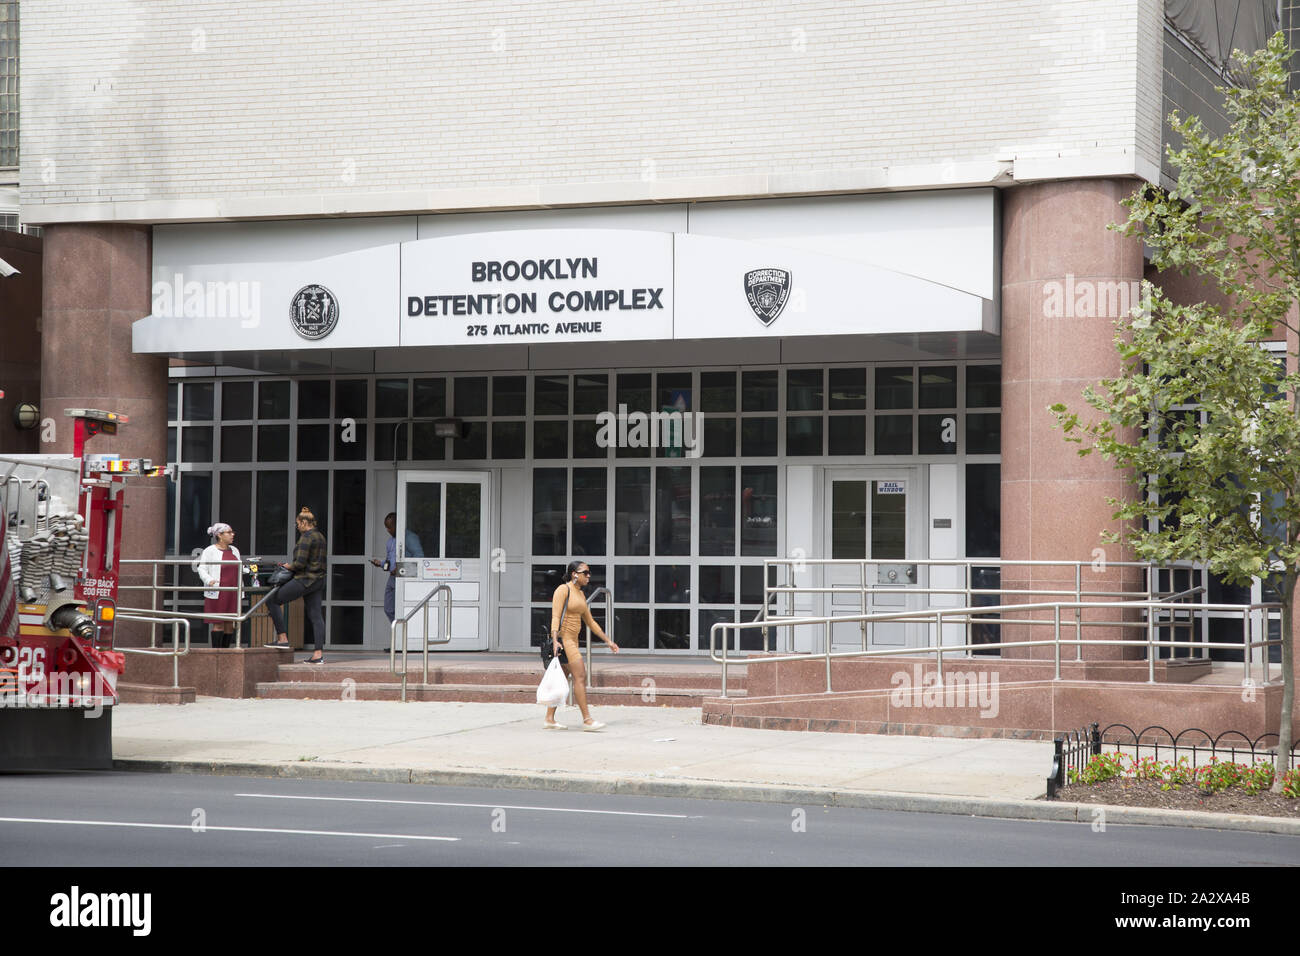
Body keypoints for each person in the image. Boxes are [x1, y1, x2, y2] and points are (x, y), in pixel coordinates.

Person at [545, 560, 619, 731]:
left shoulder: (580, 594)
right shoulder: (563, 590)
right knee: (580, 676)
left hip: (573, 640)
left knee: (563, 678)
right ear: (574, 574)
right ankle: (587, 720)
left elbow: (591, 622)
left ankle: (549, 718)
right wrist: (555, 640)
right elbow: (555, 617)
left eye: (589, 572)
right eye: (585, 572)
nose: (588, 576)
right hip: (564, 640)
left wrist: (608, 641)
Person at [267, 506, 327, 663]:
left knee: (272, 600)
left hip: (305, 579)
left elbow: (299, 564)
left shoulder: (307, 537)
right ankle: (318, 654)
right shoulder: (320, 536)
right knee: (316, 616)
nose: (297, 526)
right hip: (318, 580)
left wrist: (287, 566)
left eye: (298, 523)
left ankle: (282, 638)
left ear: (305, 522)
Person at [370, 512, 424, 648]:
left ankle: (401, 643)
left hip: (405, 580)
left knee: (404, 610)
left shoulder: (410, 538)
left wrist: (400, 569)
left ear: (397, 525)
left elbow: (420, 559)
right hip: (392, 579)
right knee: (389, 609)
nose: (388, 530)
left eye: (390, 527)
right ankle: (400, 639)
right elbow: (389, 561)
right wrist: (381, 564)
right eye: (386, 528)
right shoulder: (391, 541)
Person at [197, 522, 241, 648]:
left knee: (229, 623)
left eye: (232, 532)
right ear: (220, 535)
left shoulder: (235, 550)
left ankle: (226, 652)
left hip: (232, 591)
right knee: (218, 622)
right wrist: (209, 580)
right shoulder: (210, 551)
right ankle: (216, 653)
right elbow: (202, 568)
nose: (233, 535)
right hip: (217, 591)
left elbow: (237, 567)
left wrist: (248, 570)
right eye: (229, 532)